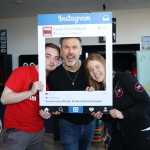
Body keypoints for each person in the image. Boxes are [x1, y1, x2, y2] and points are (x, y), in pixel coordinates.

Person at [0, 43, 60, 150]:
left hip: (39, 132)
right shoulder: (22, 71)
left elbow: (45, 106)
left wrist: (47, 113)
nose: (52, 61)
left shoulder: (52, 80)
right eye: (48, 56)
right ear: (40, 56)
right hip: (16, 132)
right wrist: (30, 92)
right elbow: (4, 99)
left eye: (56, 58)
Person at [85, 53, 150, 150]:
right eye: (91, 70)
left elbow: (146, 102)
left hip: (138, 132)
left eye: (97, 66)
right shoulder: (100, 90)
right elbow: (111, 116)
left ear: (105, 65)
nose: (95, 71)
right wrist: (100, 116)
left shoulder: (125, 78)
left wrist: (124, 114)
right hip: (118, 134)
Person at [47, 37, 95, 150]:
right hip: (67, 124)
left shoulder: (90, 69)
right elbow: (53, 104)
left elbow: (102, 89)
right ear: (61, 50)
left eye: (74, 47)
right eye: (66, 47)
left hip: (90, 122)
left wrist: (95, 93)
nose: (70, 52)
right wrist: (54, 109)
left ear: (80, 50)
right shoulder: (53, 76)